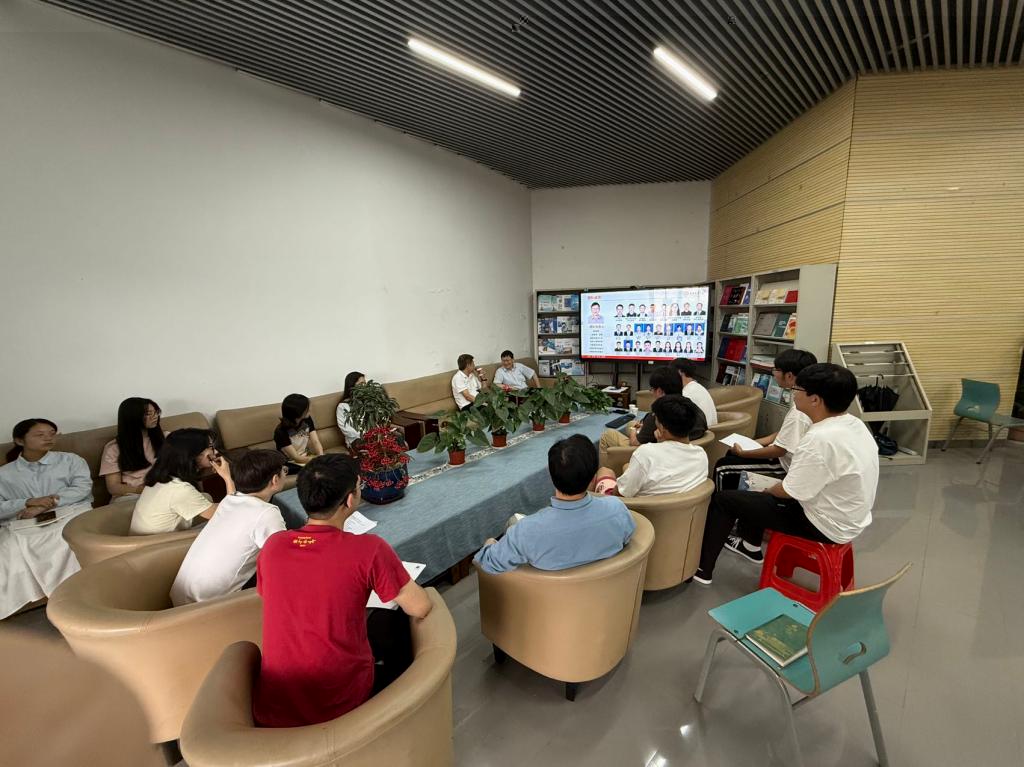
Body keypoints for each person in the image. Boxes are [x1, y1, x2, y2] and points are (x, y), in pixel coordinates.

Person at [253, 453, 432, 727]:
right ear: (350, 500)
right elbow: (420, 607)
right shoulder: (369, 549)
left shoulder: (273, 546)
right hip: (339, 704)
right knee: (397, 622)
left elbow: (276, 596)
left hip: (274, 706)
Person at [694, 363, 879, 585]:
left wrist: (767, 489)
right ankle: (750, 545)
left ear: (815, 399)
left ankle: (703, 570)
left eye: (797, 389)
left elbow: (787, 491)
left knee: (726, 500)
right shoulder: (854, 424)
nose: (793, 393)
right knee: (751, 486)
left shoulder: (820, 438)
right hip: (851, 518)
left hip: (823, 524)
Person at [474, 435, 635, 573]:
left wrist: (489, 544)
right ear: (594, 478)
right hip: (608, 595)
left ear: (551, 477)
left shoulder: (526, 532)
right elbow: (628, 538)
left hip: (542, 598)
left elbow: (487, 562)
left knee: (513, 522)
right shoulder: (617, 510)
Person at [0, 418, 93, 619]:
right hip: (24, 523)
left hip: (70, 511)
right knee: (9, 547)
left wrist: (46, 504)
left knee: (69, 537)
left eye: (51, 433)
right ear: (20, 440)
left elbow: (82, 488)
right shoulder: (4, 474)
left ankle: (77, 598)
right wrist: (28, 502)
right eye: (40, 434)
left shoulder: (71, 460)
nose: (48, 438)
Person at [169, 450, 287, 606]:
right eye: (285, 471)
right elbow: (285, 559)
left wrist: (227, 477)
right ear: (275, 480)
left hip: (182, 599)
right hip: (206, 608)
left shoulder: (230, 501)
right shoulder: (266, 513)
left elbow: (232, 496)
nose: (286, 474)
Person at [712, 349, 817, 492]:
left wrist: (744, 453)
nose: (773, 373)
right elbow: (783, 434)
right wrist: (755, 443)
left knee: (723, 468)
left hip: (785, 466)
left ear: (789, 376)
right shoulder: (804, 398)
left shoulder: (799, 410)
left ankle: (722, 501)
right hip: (782, 457)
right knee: (731, 455)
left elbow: (779, 450)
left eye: (776, 369)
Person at [593, 396, 708, 498]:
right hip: (679, 510)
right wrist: (661, 442)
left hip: (637, 511)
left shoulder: (645, 454)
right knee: (627, 467)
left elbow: (619, 493)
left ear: (662, 428)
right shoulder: (701, 455)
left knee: (605, 471)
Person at [130, 428, 233, 534]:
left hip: (149, 539)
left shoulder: (161, 478)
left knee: (206, 497)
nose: (215, 451)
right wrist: (227, 478)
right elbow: (229, 514)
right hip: (168, 542)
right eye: (210, 447)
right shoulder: (180, 490)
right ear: (194, 454)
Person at [599, 366, 701, 462]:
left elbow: (635, 443)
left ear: (660, 391)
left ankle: (604, 468)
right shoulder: (692, 408)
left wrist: (634, 430)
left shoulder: (660, 414)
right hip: (683, 453)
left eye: (652, 389)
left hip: (654, 454)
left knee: (608, 435)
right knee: (632, 424)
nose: (651, 392)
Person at [99, 398, 165, 502]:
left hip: (163, 490)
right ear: (133, 417)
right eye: (149, 413)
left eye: (156, 412)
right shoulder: (114, 448)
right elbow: (113, 487)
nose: (155, 416)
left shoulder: (166, 438)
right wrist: (144, 490)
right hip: (131, 495)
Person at [275, 394, 324, 473]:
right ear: (298, 412)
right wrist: (316, 460)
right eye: (307, 408)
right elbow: (296, 457)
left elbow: (316, 441)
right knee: (315, 469)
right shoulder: (281, 432)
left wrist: (321, 456)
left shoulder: (307, 419)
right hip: (290, 462)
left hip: (306, 456)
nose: (310, 409)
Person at [671, 358, 717, 428]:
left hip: (700, 432)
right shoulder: (700, 387)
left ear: (679, 372)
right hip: (712, 431)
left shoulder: (685, 394)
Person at [336, 371, 366, 447]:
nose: (364, 386)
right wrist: (365, 434)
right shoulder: (343, 406)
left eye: (365, 383)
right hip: (355, 440)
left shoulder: (367, 402)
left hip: (372, 436)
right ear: (352, 386)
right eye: (361, 384)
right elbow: (345, 429)